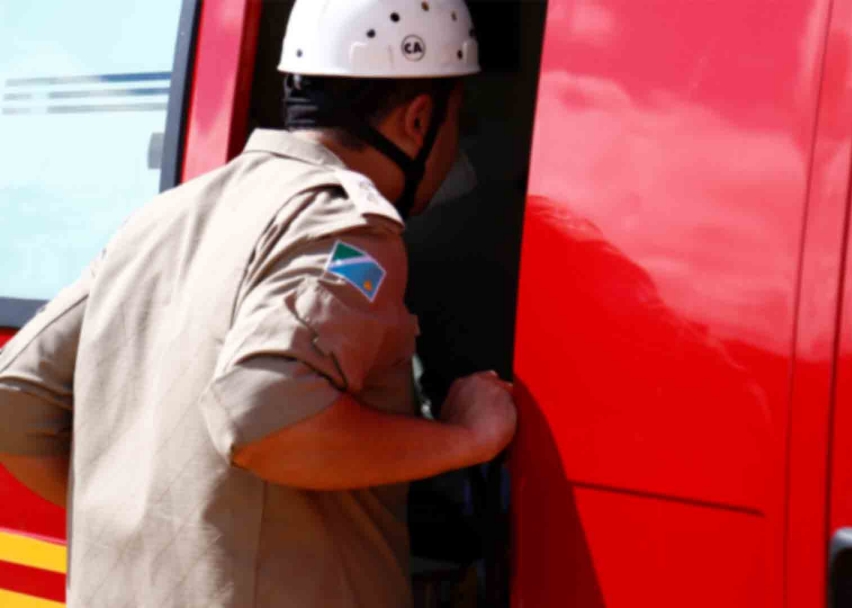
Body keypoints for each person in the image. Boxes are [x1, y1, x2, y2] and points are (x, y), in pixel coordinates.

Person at [0, 0, 517, 606]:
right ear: (418, 119)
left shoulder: (165, 215)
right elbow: (267, 416)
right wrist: (467, 438)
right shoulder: (349, 226)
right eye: (459, 123)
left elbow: (18, 398)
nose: (456, 150)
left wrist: (171, 526)